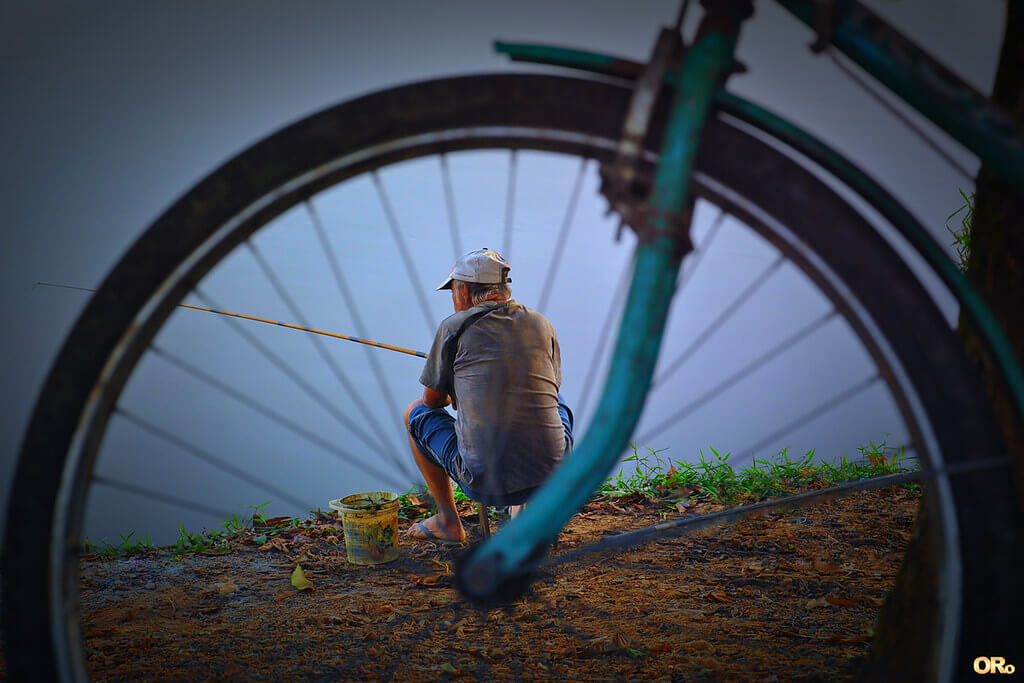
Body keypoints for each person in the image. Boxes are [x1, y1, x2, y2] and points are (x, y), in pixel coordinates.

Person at [403, 248, 574, 544]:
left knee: (414, 412)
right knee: (558, 406)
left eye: (453, 290)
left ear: (464, 290)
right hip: (551, 471)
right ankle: (527, 506)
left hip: (484, 481)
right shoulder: (541, 323)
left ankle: (448, 522)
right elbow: (551, 388)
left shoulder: (452, 328)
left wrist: (451, 387)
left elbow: (432, 403)